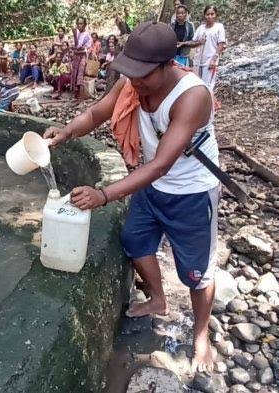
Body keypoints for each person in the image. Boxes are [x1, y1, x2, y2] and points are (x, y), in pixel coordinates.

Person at [43, 21, 220, 373]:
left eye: (143, 75)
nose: (134, 82)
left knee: (197, 273)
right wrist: (63, 134)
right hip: (150, 186)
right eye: (131, 73)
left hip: (191, 192)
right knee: (135, 240)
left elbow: (160, 165)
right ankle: (158, 299)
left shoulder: (193, 96)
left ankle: (202, 337)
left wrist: (103, 194)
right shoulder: (133, 82)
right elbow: (96, 113)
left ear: (168, 64)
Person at [189, 5, 226, 91]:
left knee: (208, 85)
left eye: (212, 14)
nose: (210, 17)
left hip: (210, 60)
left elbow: (220, 43)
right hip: (198, 60)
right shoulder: (201, 28)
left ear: (216, 14)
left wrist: (214, 58)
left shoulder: (219, 27)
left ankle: (209, 103)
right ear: (204, 15)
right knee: (197, 84)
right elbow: (194, 42)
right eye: (207, 14)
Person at [70, 17, 92, 99]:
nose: (79, 25)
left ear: (84, 25)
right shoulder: (79, 33)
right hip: (77, 55)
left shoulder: (85, 34)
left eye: (81, 24)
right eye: (78, 24)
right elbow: (75, 46)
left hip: (83, 56)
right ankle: (75, 93)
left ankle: (80, 94)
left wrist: (74, 35)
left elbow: (78, 46)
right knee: (74, 73)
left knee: (80, 74)